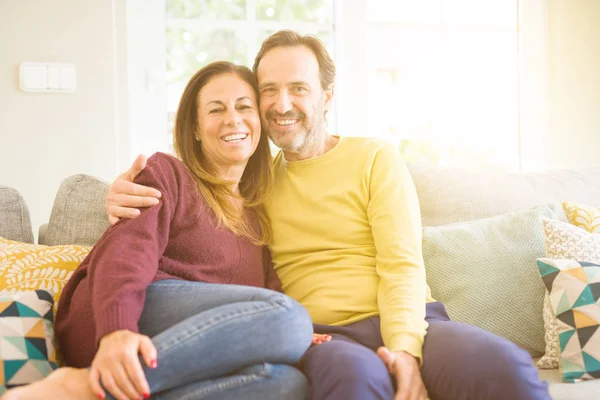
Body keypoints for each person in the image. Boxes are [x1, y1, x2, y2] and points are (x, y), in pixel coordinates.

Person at [105, 31, 552, 400]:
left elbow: (401, 264)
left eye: (298, 88)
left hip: (414, 320)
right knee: (355, 383)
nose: (282, 104)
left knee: (505, 366)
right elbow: (209, 241)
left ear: (326, 96)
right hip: (324, 335)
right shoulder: (255, 183)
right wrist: (122, 194)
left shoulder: (375, 157)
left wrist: (405, 352)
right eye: (268, 91)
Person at [1, 61, 323, 400]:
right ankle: (84, 388)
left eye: (244, 107)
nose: (233, 119)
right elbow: (126, 251)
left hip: (177, 347)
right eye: (216, 109)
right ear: (196, 128)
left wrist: (286, 330)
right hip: (124, 314)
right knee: (290, 319)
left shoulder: (259, 215)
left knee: (287, 383)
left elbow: (269, 292)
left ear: (259, 121)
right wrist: (117, 330)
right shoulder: (167, 174)